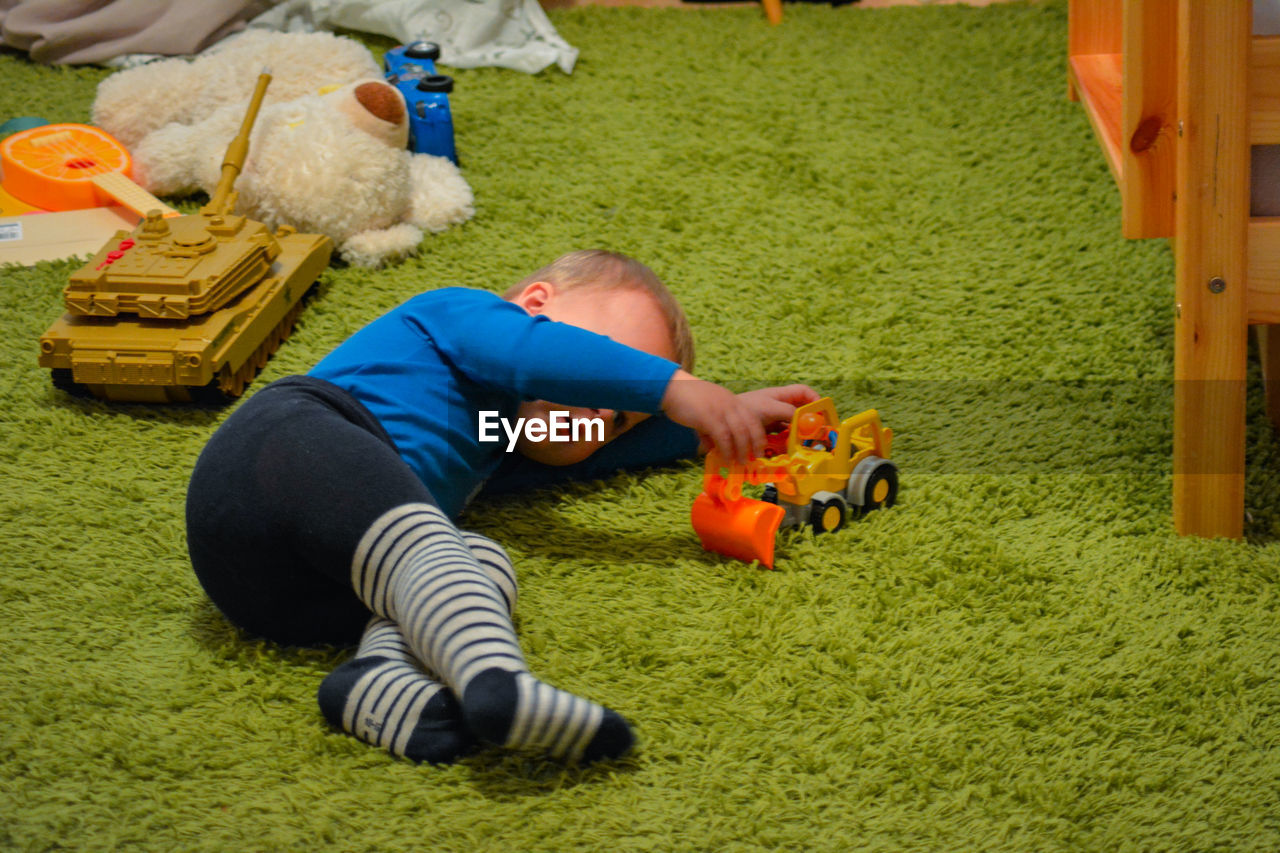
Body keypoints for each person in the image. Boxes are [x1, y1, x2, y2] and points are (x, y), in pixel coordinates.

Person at [186, 250, 817, 765]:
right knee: (428, 543)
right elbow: (530, 355)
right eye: (599, 371)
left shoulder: (500, 433)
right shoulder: (457, 317)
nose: (600, 407)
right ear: (535, 305)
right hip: (274, 458)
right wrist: (674, 389)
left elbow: (587, 445)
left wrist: (719, 418)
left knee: (476, 553)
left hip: (306, 593)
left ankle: (379, 684)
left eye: (617, 414)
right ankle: (496, 681)